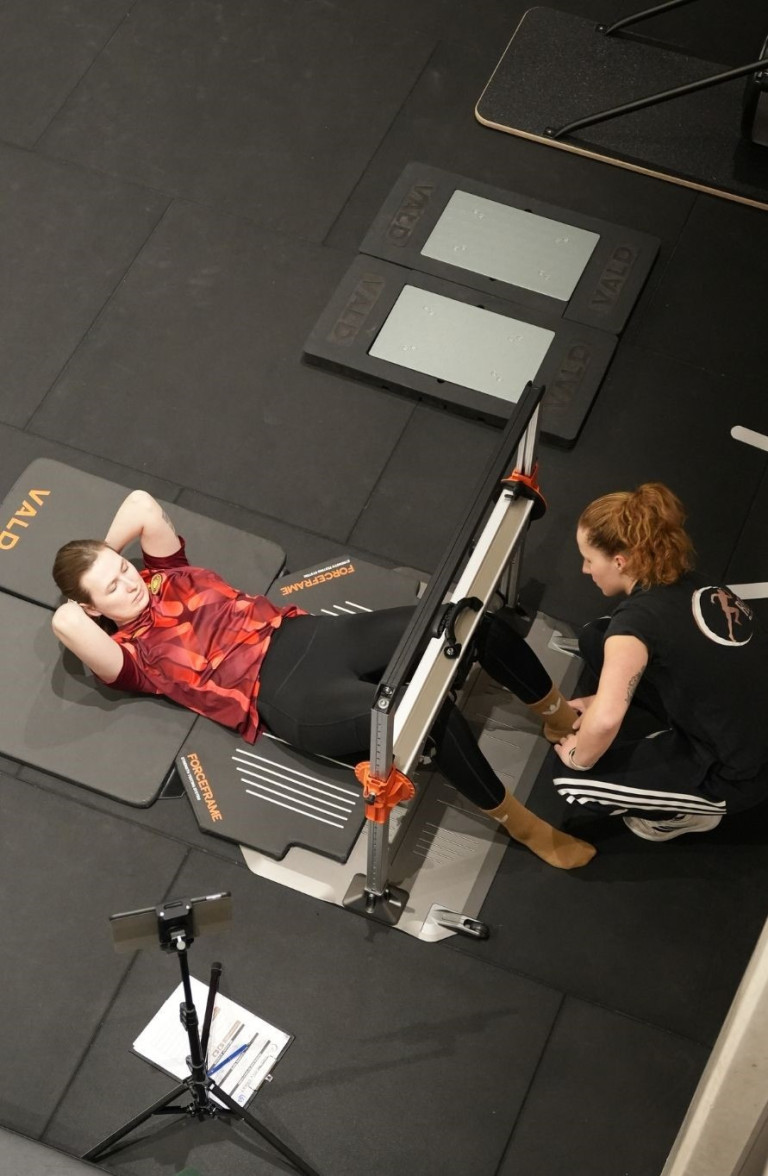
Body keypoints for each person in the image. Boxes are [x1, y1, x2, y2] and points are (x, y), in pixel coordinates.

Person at [51, 490, 596, 870]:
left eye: (123, 569)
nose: (129, 583)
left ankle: (559, 717)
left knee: (472, 620)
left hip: (310, 637)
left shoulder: (162, 571)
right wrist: (91, 597)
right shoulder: (132, 658)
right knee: (421, 716)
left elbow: (141, 504)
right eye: (112, 588)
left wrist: (105, 557)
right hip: (286, 695)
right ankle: (521, 824)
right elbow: (64, 621)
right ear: (91, 604)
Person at [553, 482, 768, 841]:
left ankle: (687, 813)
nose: (584, 569)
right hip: (745, 719)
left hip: (740, 769)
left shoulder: (634, 626)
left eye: (589, 559)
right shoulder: (694, 582)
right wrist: (605, 695)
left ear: (619, 561)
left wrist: (577, 756)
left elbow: (605, 723)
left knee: (574, 782)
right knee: (596, 637)